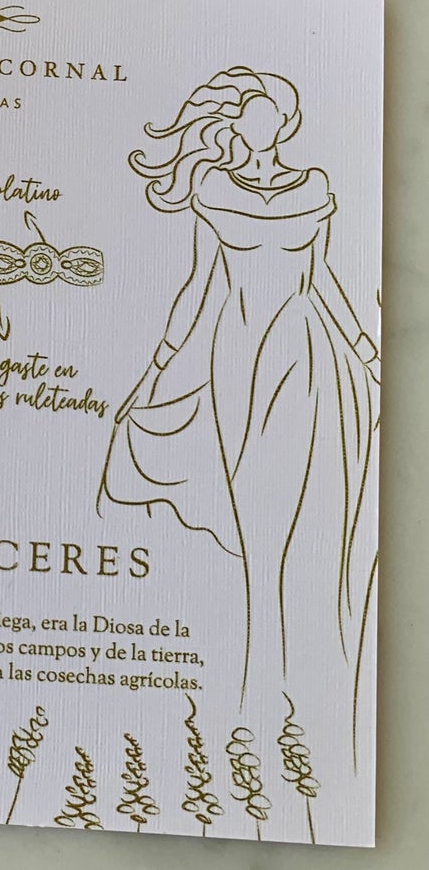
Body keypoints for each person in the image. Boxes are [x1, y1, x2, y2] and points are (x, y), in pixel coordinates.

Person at [100, 67, 378, 734]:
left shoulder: (313, 188)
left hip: (304, 350)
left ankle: (293, 681)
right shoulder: (214, 188)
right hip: (237, 352)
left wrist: (369, 353)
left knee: (302, 505)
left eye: (265, 114)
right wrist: (156, 367)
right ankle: (258, 682)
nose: (253, 124)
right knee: (254, 505)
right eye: (244, 114)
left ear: (283, 121)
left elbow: (324, 280)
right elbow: (199, 287)